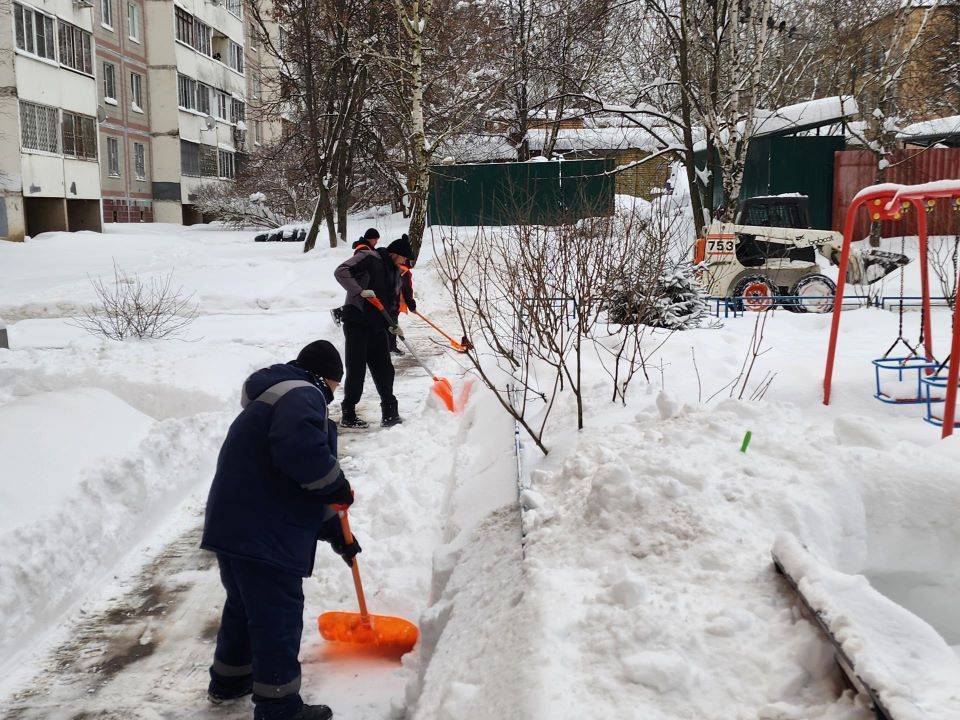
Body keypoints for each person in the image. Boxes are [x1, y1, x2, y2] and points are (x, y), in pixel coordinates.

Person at [201, 340, 362, 720]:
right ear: (328, 378)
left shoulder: (275, 394)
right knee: (277, 615)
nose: (333, 396)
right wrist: (335, 482)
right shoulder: (303, 393)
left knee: (244, 606)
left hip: (235, 522)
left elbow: (290, 481)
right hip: (262, 530)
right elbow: (301, 455)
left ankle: (229, 680)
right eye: (336, 387)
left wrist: (339, 535)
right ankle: (279, 708)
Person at [334, 232, 404, 428]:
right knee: (357, 369)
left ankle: (390, 413)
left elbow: (391, 302)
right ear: (394, 254)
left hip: (378, 325)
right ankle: (348, 414)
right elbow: (341, 271)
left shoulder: (395, 272)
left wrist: (393, 323)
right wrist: (359, 290)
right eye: (404, 258)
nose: (404, 262)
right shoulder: (369, 257)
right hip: (357, 320)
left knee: (384, 368)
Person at [380, 235, 417, 356]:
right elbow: (406, 288)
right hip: (392, 303)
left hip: (392, 302)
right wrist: (411, 303)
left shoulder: (398, 267)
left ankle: (390, 346)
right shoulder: (402, 269)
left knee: (391, 325)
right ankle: (391, 347)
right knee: (392, 324)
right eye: (407, 258)